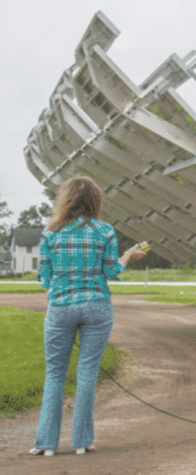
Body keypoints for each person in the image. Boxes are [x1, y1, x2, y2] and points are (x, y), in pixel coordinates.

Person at [29, 175, 146, 457]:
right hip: (97, 306)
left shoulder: (50, 233)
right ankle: (82, 442)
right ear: (95, 201)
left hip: (60, 308)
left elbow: (44, 278)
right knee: (87, 374)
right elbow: (111, 272)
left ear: (65, 199)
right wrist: (127, 257)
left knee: (55, 374)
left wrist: (60, 288)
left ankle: (45, 443)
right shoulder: (104, 231)